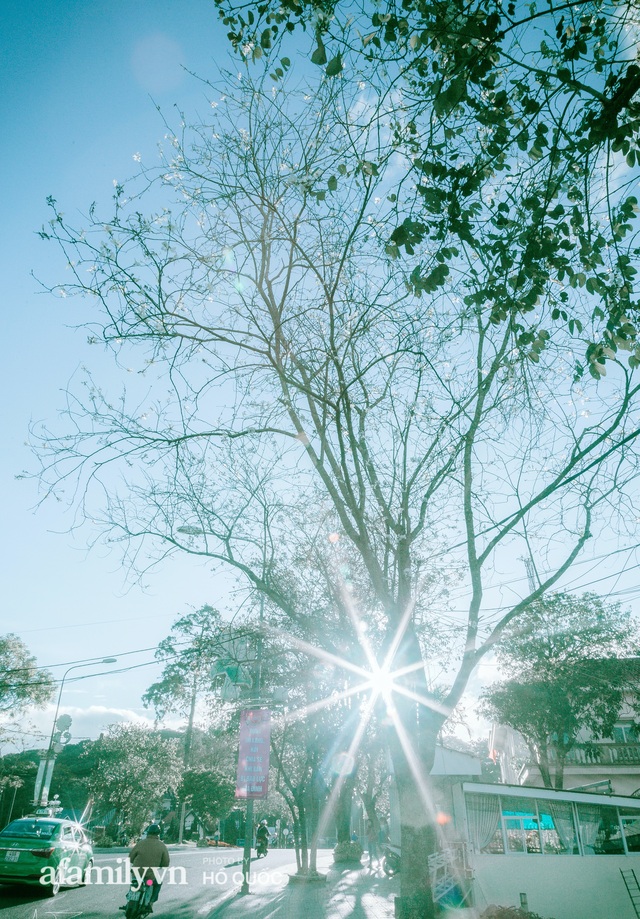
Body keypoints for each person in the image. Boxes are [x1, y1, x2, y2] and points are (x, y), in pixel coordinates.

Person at [123, 824, 170, 914]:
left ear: (148, 832)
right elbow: (165, 863)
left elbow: (130, 858)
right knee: (157, 883)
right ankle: (150, 903)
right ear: (158, 834)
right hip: (149, 877)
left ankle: (130, 900)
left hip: (136, 874)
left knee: (134, 883)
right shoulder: (162, 846)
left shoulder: (140, 843)